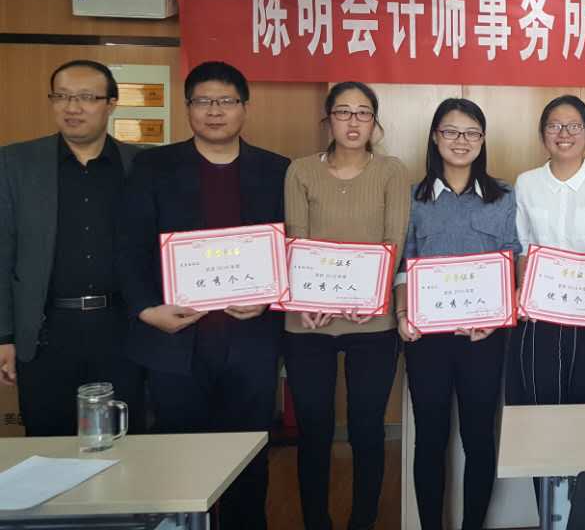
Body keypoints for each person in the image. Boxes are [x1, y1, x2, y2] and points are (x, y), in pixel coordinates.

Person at [119, 61, 289, 530]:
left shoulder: (276, 170)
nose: (215, 111)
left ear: (244, 108)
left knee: (248, 459)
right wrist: (146, 310)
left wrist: (270, 297)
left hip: (250, 342)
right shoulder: (152, 167)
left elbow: (289, 247)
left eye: (226, 101)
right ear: (188, 107)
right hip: (176, 340)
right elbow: (128, 245)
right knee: (179, 457)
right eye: (203, 101)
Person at [283, 81, 410, 530]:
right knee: (313, 429)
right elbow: (296, 238)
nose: (353, 122)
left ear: (375, 122)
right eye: (343, 112)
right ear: (328, 120)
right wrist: (308, 298)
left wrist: (370, 296)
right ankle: (316, 521)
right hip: (308, 321)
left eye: (363, 113)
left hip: (371, 322)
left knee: (366, 428)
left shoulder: (392, 171)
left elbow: (394, 241)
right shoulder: (300, 170)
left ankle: (363, 521)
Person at [0, 60, 144, 435]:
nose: (72, 107)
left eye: (86, 97)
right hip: (46, 331)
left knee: (126, 443)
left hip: (122, 329)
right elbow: (3, 252)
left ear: (111, 103)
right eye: (61, 96)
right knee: (48, 443)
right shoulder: (16, 164)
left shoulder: (140, 164)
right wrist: (4, 336)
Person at [394, 98, 520, 530]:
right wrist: (402, 313)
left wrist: (498, 316)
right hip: (426, 339)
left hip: (484, 338)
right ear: (435, 137)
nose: (460, 141)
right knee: (430, 438)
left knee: (479, 438)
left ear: (482, 140)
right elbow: (403, 265)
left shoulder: (504, 196)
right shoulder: (413, 198)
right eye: (450, 131)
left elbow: (513, 260)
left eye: (471, 133)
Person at [507, 95, 585, 406]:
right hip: (540, 315)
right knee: (540, 404)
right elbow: (523, 247)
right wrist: (523, 292)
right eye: (554, 126)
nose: (564, 134)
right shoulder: (527, 183)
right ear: (542, 134)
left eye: (574, 126)